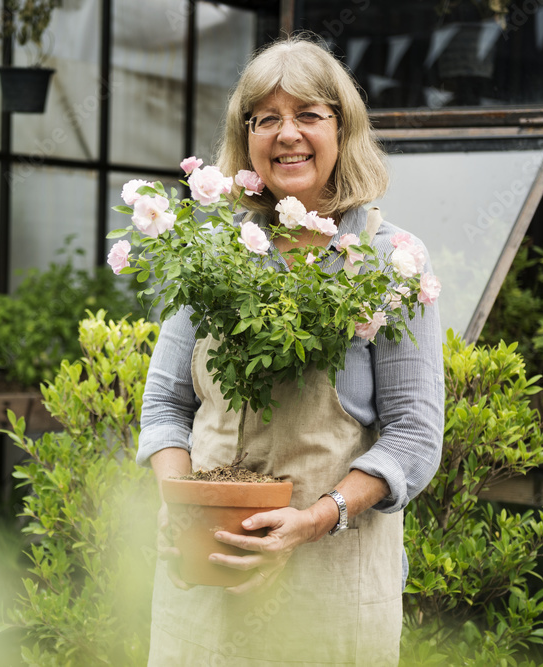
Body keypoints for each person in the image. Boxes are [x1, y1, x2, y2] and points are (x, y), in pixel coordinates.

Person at [137, 35, 444, 666]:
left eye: (308, 115)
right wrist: (178, 504)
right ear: (245, 137)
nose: (288, 135)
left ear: (343, 130)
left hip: (329, 585)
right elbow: (165, 404)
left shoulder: (390, 263)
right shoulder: (213, 255)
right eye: (267, 119)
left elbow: (414, 436)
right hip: (205, 577)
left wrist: (314, 519)